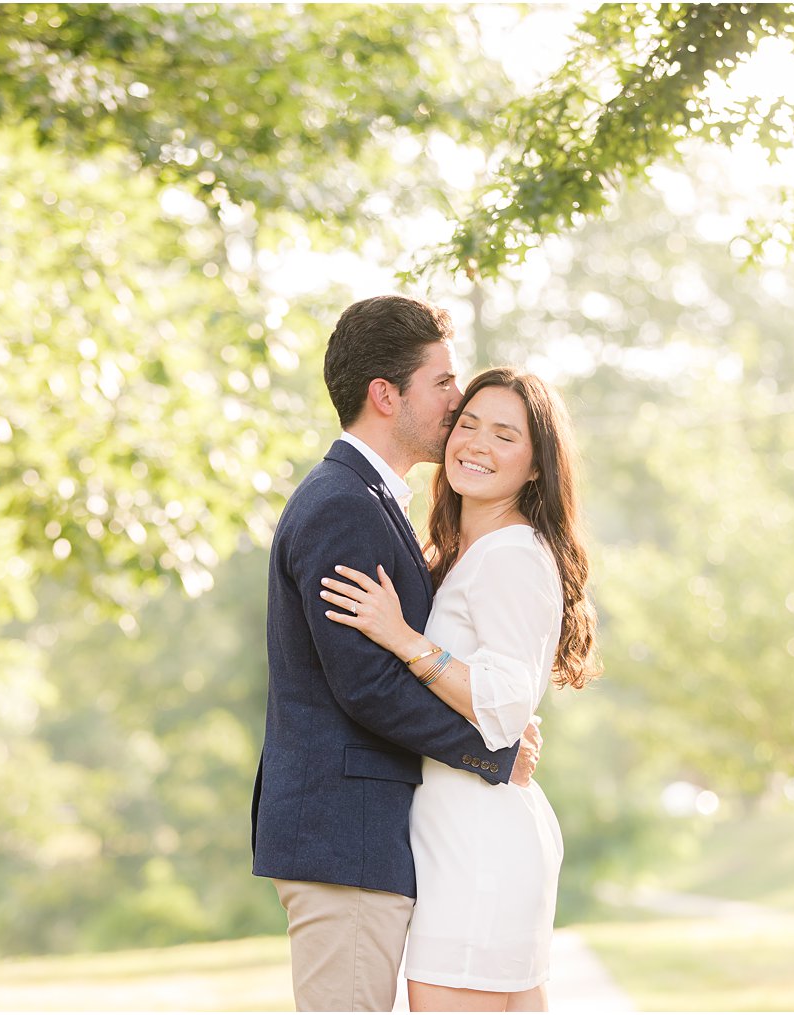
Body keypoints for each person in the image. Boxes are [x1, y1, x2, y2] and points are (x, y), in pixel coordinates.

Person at [251, 295, 542, 1013]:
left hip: (362, 836)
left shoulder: (370, 499)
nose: (456, 398)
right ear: (386, 394)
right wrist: (493, 751)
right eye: (443, 382)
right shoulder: (342, 504)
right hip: (342, 834)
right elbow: (367, 686)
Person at [319, 367, 599, 1012]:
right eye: (468, 424)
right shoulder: (461, 553)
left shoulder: (512, 555)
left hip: (479, 847)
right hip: (458, 838)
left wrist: (404, 639)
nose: (476, 443)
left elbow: (503, 710)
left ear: (536, 467)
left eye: (505, 435)